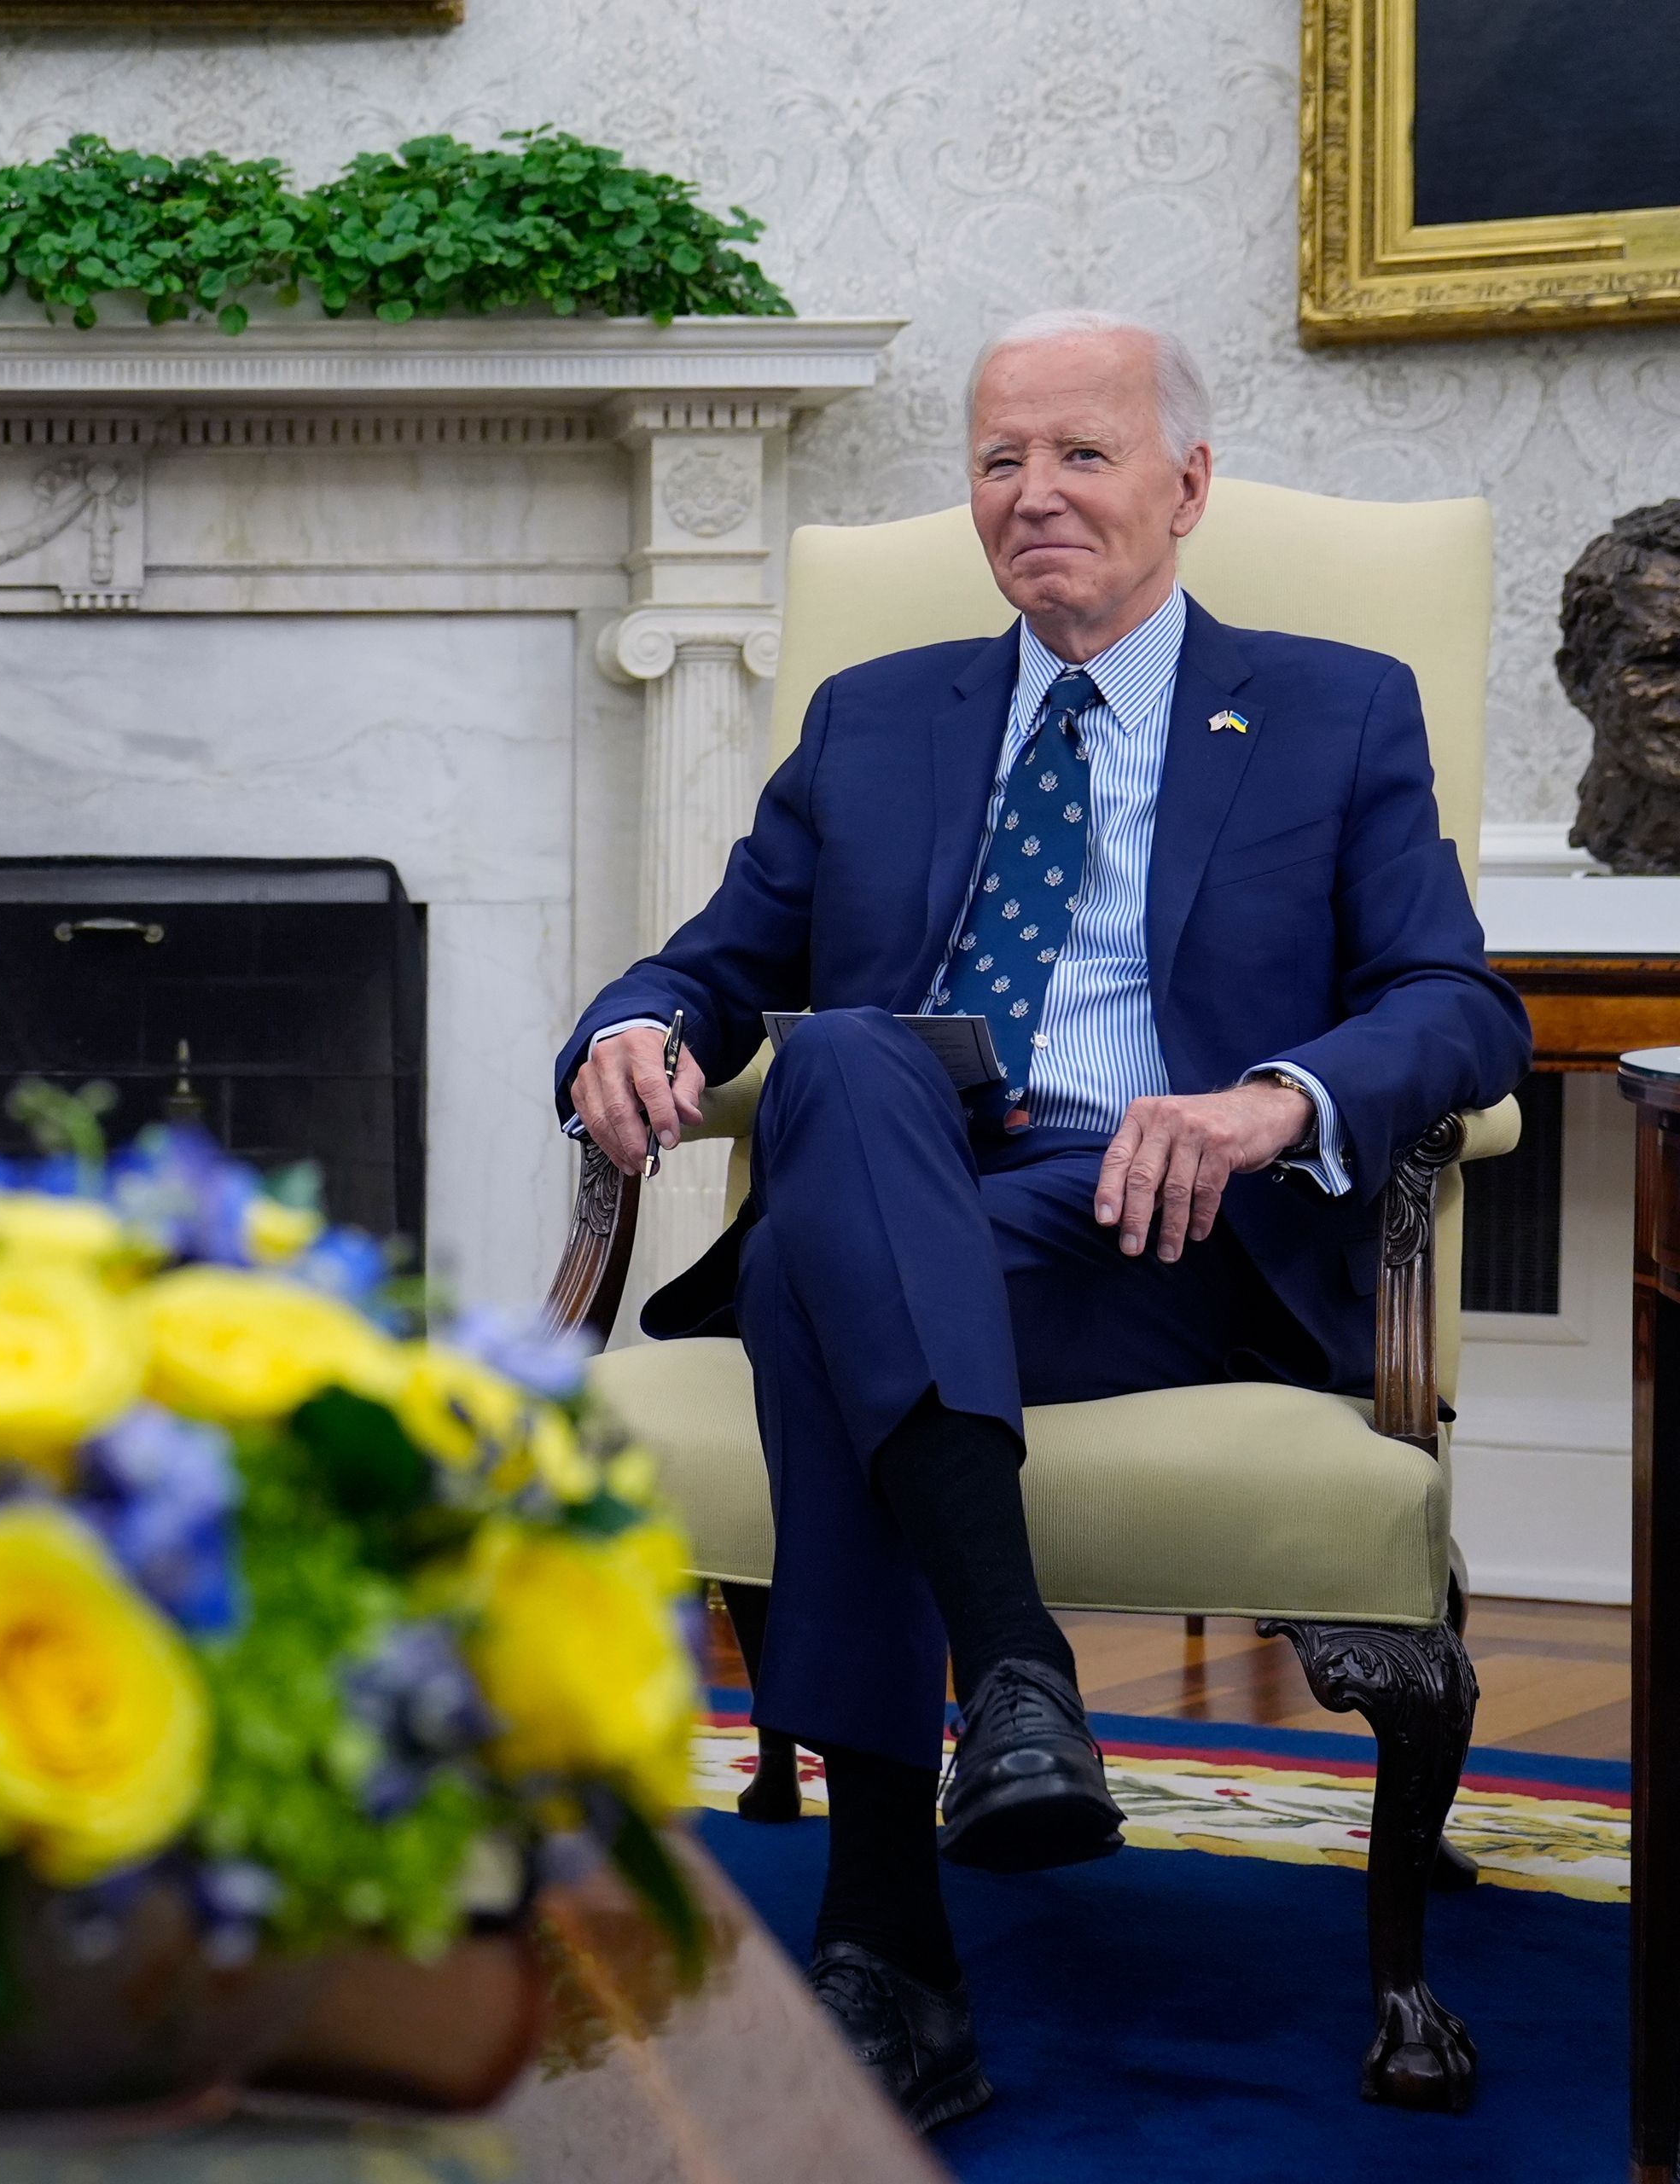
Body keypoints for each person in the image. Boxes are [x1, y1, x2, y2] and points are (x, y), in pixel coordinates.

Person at [554, 311, 1528, 2129]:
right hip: (915, 1188)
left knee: (813, 1275)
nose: (1034, 495)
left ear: (1188, 483)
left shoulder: (1332, 704)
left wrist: (1268, 1102)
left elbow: (1458, 1003)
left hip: (1171, 1242)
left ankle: (886, 1933)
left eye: (1081, 454)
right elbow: (710, 965)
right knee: (845, 1060)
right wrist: (630, 1029)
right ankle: (1015, 1673)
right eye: (1001, 458)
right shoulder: (877, 717)